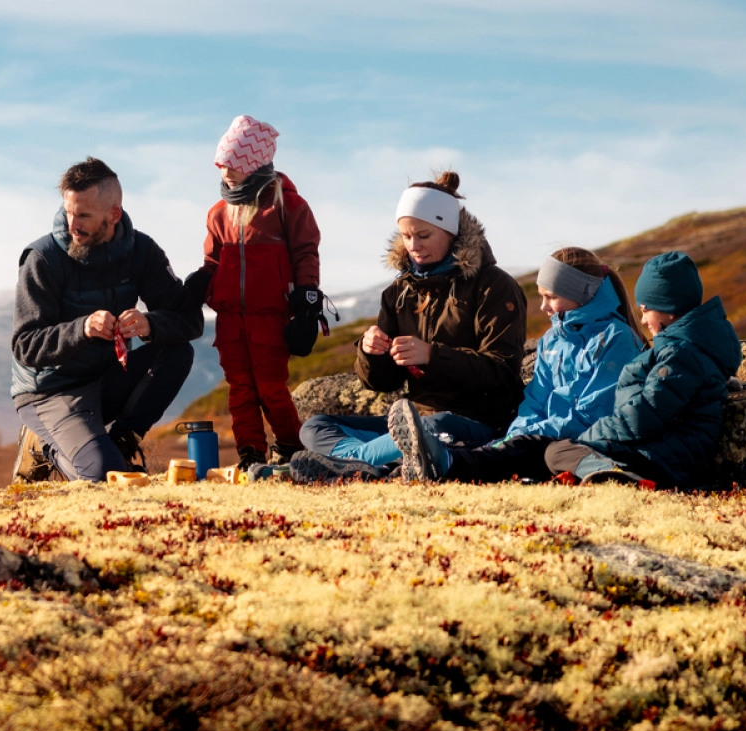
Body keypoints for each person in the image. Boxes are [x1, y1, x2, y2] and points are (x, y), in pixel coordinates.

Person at [288, 173, 525, 482]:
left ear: (450, 231)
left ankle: (356, 465)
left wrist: (432, 355)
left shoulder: (495, 287)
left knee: (427, 429)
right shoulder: (399, 292)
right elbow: (382, 383)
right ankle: (386, 462)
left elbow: (502, 373)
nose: (414, 246)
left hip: (477, 421)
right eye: (406, 236)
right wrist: (372, 353)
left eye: (424, 235)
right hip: (413, 419)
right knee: (315, 427)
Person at [9, 157, 201, 483]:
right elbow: (25, 346)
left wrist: (150, 324)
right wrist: (81, 329)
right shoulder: (42, 258)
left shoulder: (142, 251)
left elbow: (190, 321)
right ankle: (41, 444)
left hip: (108, 379)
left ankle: (121, 442)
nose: (72, 224)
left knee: (177, 351)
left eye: (83, 215)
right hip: (52, 392)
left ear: (114, 214)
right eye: (69, 212)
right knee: (102, 477)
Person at [398, 247, 646, 483]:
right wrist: (519, 430)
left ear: (579, 294)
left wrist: (532, 433)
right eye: (542, 296)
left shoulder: (617, 339)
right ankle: (402, 467)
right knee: (503, 444)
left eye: (552, 297)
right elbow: (535, 400)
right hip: (544, 435)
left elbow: (594, 413)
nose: (543, 306)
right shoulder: (551, 340)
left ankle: (446, 464)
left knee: (521, 450)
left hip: (582, 439)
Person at [193, 115, 323, 468]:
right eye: (222, 165)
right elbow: (212, 262)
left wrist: (308, 300)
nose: (226, 173)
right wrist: (200, 285)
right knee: (240, 390)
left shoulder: (287, 206)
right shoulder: (219, 213)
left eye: (234, 165)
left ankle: (292, 447)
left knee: (270, 388)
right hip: (230, 318)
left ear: (255, 165)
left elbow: (305, 252)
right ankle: (250, 452)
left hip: (271, 316)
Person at [555, 251, 741, 486]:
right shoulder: (686, 348)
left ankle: (620, 477)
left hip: (659, 461)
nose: (642, 321)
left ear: (669, 309)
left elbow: (644, 416)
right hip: (655, 452)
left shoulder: (680, 354)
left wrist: (588, 437)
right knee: (559, 452)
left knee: (559, 451)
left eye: (645, 310)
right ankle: (608, 474)